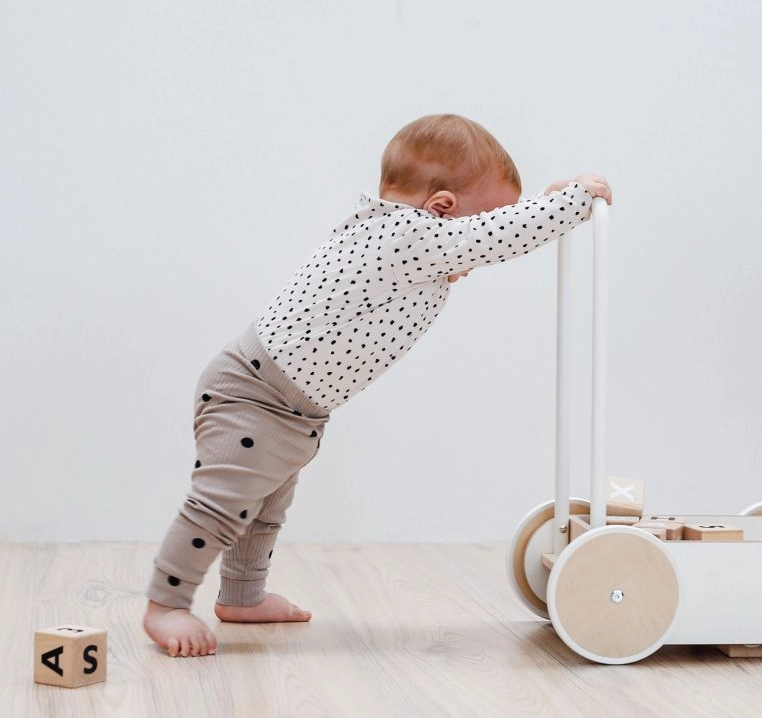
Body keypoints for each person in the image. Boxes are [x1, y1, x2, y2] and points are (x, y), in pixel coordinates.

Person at [143, 113, 612, 656]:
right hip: (254, 395)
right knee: (220, 507)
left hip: (293, 409)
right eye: (474, 227)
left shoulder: (386, 229)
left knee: (265, 506)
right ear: (441, 208)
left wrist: (540, 207)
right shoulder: (411, 233)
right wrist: (571, 202)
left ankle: (242, 597)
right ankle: (167, 604)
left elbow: (490, 235)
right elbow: (499, 238)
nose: (471, 251)